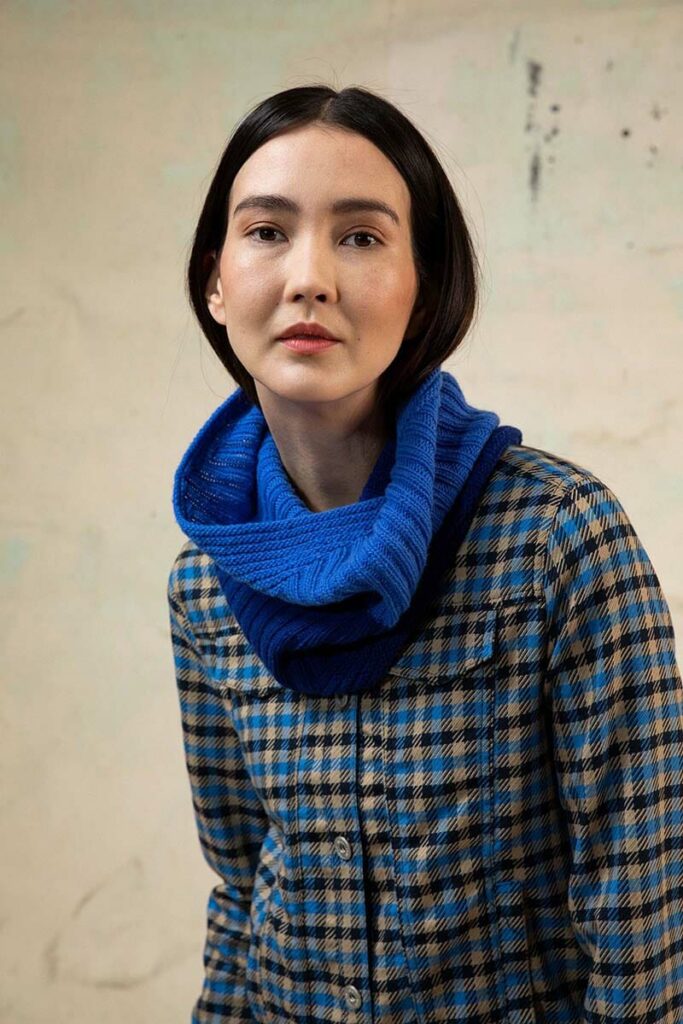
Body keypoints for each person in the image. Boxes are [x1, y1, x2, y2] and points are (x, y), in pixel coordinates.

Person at [167, 84, 683, 1024]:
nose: (309, 278)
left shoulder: (556, 537)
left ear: (426, 284)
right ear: (216, 280)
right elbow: (241, 890)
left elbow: (644, 912)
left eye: (361, 237)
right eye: (267, 232)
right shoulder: (204, 581)